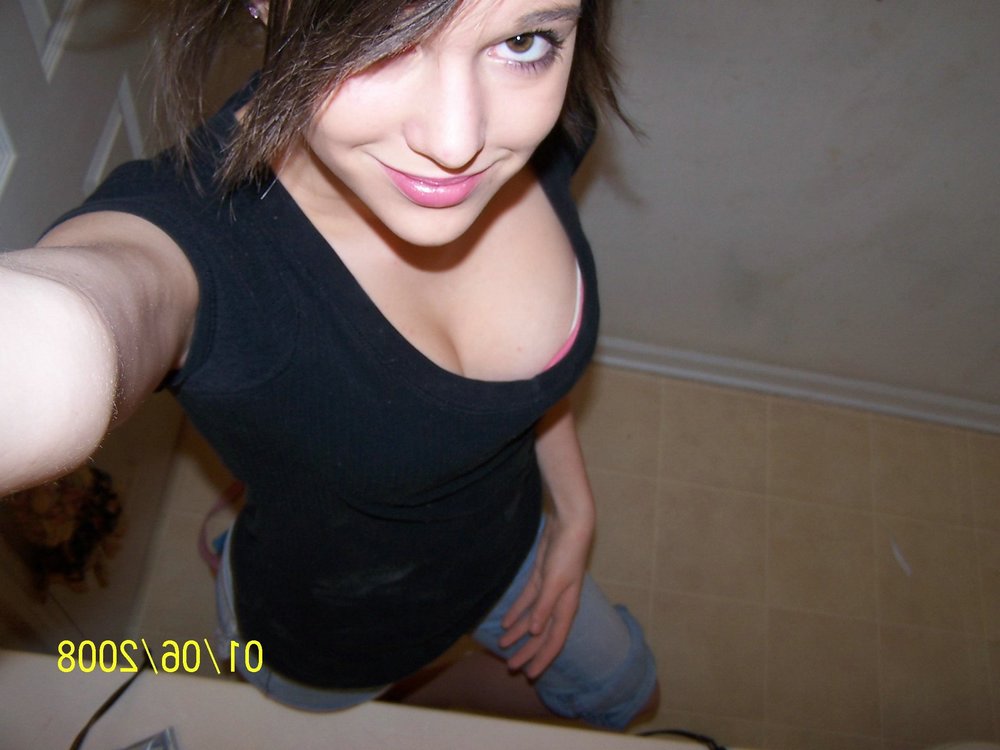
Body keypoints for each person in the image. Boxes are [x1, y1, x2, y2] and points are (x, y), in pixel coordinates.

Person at [0, 0, 658, 730]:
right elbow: (75, 324)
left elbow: (519, 396)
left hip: (509, 543)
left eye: (522, 40)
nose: (458, 142)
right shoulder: (197, 238)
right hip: (327, 633)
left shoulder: (548, 117)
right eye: (382, 40)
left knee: (624, 693)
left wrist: (574, 511)